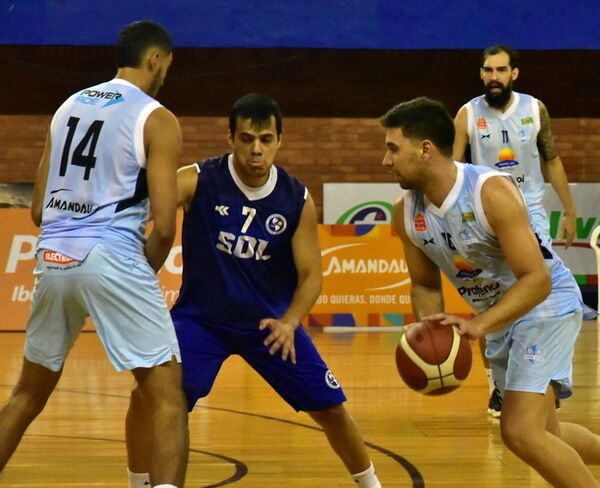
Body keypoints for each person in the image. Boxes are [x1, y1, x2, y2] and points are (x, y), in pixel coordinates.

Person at [126, 93, 382, 488]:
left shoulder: (296, 199)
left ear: (280, 140)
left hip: (270, 326)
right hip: (201, 321)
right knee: (147, 397)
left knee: (331, 409)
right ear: (230, 138)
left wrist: (291, 321)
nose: (256, 149)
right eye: (246, 138)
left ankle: (371, 484)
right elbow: (143, 206)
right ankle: (139, 483)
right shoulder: (198, 179)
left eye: (265, 139)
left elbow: (312, 275)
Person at [0, 20, 189, 488]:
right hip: (112, 253)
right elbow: (164, 226)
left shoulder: (68, 107)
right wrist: (135, 276)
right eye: (167, 64)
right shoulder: (157, 117)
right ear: (155, 60)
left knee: (26, 393)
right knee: (168, 399)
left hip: (52, 256)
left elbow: (40, 208)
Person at [382, 96, 600, 488]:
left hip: (544, 305)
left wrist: (477, 325)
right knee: (546, 434)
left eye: (393, 148)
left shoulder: (489, 192)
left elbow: (537, 279)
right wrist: (433, 330)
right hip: (501, 319)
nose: (386, 160)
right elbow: (424, 283)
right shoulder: (405, 212)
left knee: (518, 431)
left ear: (425, 149)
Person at [452, 44, 585, 417]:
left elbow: (552, 159)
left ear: (514, 74)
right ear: (481, 75)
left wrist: (570, 210)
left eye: (501, 70)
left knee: (539, 294)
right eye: (488, 70)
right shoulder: (466, 114)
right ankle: (497, 387)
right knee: (492, 298)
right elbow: (452, 167)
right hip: (484, 215)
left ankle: (542, 381)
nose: (494, 77)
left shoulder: (534, 109)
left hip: (531, 214)